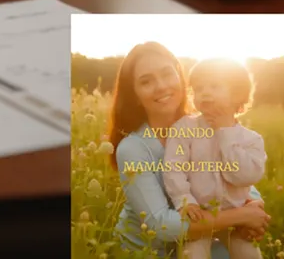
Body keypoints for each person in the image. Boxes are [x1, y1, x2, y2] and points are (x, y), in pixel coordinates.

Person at [108, 43, 269, 256]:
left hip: (202, 234)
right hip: (149, 251)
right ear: (135, 95)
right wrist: (241, 216)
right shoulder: (133, 149)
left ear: (180, 77)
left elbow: (232, 176)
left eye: (167, 74)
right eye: (146, 81)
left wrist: (254, 204)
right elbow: (161, 225)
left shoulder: (208, 124)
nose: (161, 86)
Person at [162, 58, 266, 259]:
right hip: (199, 215)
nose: (205, 93)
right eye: (199, 88)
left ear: (237, 95)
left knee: (249, 254)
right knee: (192, 255)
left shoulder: (252, 140)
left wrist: (225, 132)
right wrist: (184, 200)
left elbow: (244, 177)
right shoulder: (184, 128)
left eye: (214, 86)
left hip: (236, 220)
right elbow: (173, 168)